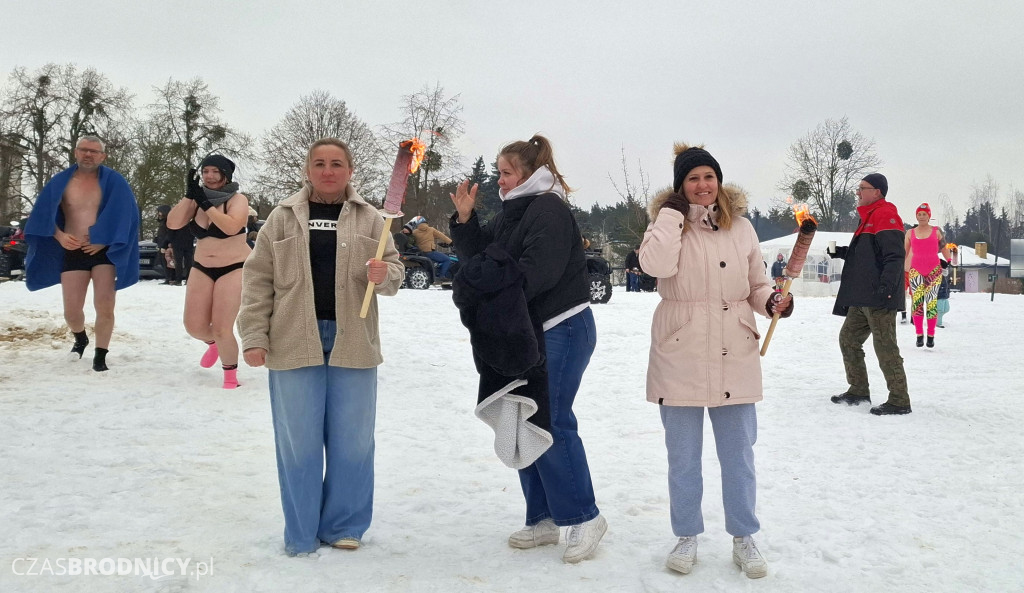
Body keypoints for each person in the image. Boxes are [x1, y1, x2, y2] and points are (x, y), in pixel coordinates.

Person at [238, 138, 403, 556]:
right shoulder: (281, 218)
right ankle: (302, 531)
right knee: (299, 441)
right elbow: (257, 280)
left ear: (350, 170)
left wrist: (385, 274)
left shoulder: (372, 220)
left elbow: (395, 274)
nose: (328, 171)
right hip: (293, 338)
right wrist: (254, 335)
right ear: (307, 170)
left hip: (355, 340)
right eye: (319, 164)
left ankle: (345, 525)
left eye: (336, 164)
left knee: (353, 440)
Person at [449, 134, 606, 564]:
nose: (499, 181)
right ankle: (544, 517)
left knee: (551, 418)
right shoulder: (513, 211)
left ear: (529, 173)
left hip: (562, 327)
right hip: (526, 330)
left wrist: (484, 290)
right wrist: (465, 223)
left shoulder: (549, 210)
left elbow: (536, 274)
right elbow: (482, 260)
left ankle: (584, 517)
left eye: (506, 172)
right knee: (525, 415)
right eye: (499, 173)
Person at [639, 144, 790, 580]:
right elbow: (654, 266)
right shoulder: (666, 224)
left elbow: (756, 284)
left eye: (709, 176)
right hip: (679, 348)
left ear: (719, 181)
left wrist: (772, 300)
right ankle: (686, 535)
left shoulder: (741, 227)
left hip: (734, 349)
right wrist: (671, 216)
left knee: (739, 454)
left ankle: (744, 536)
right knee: (683, 456)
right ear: (680, 186)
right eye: (693, 179)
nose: (703, 186)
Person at [24, 136, 140, 371]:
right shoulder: (61, 182)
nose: (89, 155)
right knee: (72, 311)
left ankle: (101, 355)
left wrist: (104, 241)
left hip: (103, 252)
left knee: (105, 305)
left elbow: (127, 216)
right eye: (84, 150)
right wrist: (59, 236)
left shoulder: (115, 181)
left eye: (94, 151)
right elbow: (42, 216)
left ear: (103, 156)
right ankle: (80, 337)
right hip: (73, 249)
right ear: (76, 152)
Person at [827, 173, 911, 415]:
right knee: (849, 340)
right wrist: (843, 252)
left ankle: (899, 399)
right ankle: (858, 389)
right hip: (862, 297)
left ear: (877, 192)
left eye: (862, 188)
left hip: (878, 297)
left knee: (885, 346)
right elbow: (868, 255)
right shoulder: (868, 217)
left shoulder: (886, 215)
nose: (858, 192)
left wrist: (886, 288)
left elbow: (895, 256)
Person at [167, 154, 250, 389]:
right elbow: (173, 223)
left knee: (222, 326)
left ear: (225, 175)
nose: (209, 176)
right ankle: (213, 343)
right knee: (193, 325)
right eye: (205, 172)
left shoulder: (237, 199)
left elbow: (231, 226)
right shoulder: (196, 199)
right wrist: (189, 196)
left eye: (215, 172)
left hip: (233, 267)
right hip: (202, 267)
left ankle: (230, 377)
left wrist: (206, 204)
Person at [904, 203, 952, 348]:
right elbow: (904, 252)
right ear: (916, 216)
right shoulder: (910, 233)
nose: (922, 217)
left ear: (929, 216)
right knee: (917, 303)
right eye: (919, 214)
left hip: (934, 271)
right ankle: (919, 334)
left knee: (931, 303)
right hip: (916, 271)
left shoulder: (936, 231)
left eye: (924, 214)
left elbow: (944, 247)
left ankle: (931, 335)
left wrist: (949, 261)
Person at [154, 205, 175, 284]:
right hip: (162, 243)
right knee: (163, 262)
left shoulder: (167, 222)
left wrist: (164, 245)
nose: (159, 214)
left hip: (165, 245)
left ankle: (169, 278)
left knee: (167, 262)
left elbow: (168, 234)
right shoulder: (163, 221)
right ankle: (168, 277)